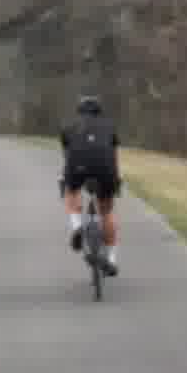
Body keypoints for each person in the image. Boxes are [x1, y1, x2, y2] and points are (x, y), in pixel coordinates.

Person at [58, 93, 121, 269]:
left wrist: (65, 177)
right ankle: (111, 259)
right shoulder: (110, 126)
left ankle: (77, 225)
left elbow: (67, 156)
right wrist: (116, 178)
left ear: (79, 111)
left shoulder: (69, 127)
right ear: (99, 111)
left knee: (72, 191)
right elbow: (113, 155)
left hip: (77, 169)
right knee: (106, 212)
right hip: (105, 171)